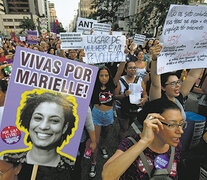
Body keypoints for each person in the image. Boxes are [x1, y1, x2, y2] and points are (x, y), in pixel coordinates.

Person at [102, 98, 186, 180]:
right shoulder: (131, 144)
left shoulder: (175, 147)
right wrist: (144, 141)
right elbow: (107, 176)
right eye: (172, 125)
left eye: (181, 123)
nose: (181, 131)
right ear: (154, 123)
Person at [3, 91, 77, 173]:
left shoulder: (71, 166)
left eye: (54, 120)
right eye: (38, 118)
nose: (43, 126)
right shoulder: (7, 159)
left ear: (65, 127)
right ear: (29, 121)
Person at [149, 44, 203, 121]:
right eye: (173, 83)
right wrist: (155, 59)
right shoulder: (158, 100)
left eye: (178, 82)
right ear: (163, 87)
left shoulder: (178, 97)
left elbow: (192, 76)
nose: (178, 86)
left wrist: (202, 55)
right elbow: (155, 83)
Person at [89, 64, 125, 178]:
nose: (104, 78)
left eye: (106, 75)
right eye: (101, 75)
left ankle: (103, 146)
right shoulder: (93, 86)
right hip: (96, 115)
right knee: (95, 140)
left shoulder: (112, 85)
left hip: (108, 115)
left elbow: (120, 70)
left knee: (105, 135)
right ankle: (93, 162)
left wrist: (123, 55)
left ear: (109, 76)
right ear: (97, 76)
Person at [114, 61, 147, 140]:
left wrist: (144, 100)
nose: (133, 70)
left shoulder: (140, 80)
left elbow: (145, 94)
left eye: (134, 68)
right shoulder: (120, 81)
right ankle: (122, 143)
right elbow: (114, 96)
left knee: (128, 125)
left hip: (135, 109)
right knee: (124, 128)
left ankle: (121, 134)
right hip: (122, 109)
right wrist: (124, 95)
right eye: (130, 68)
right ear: (125, 70)